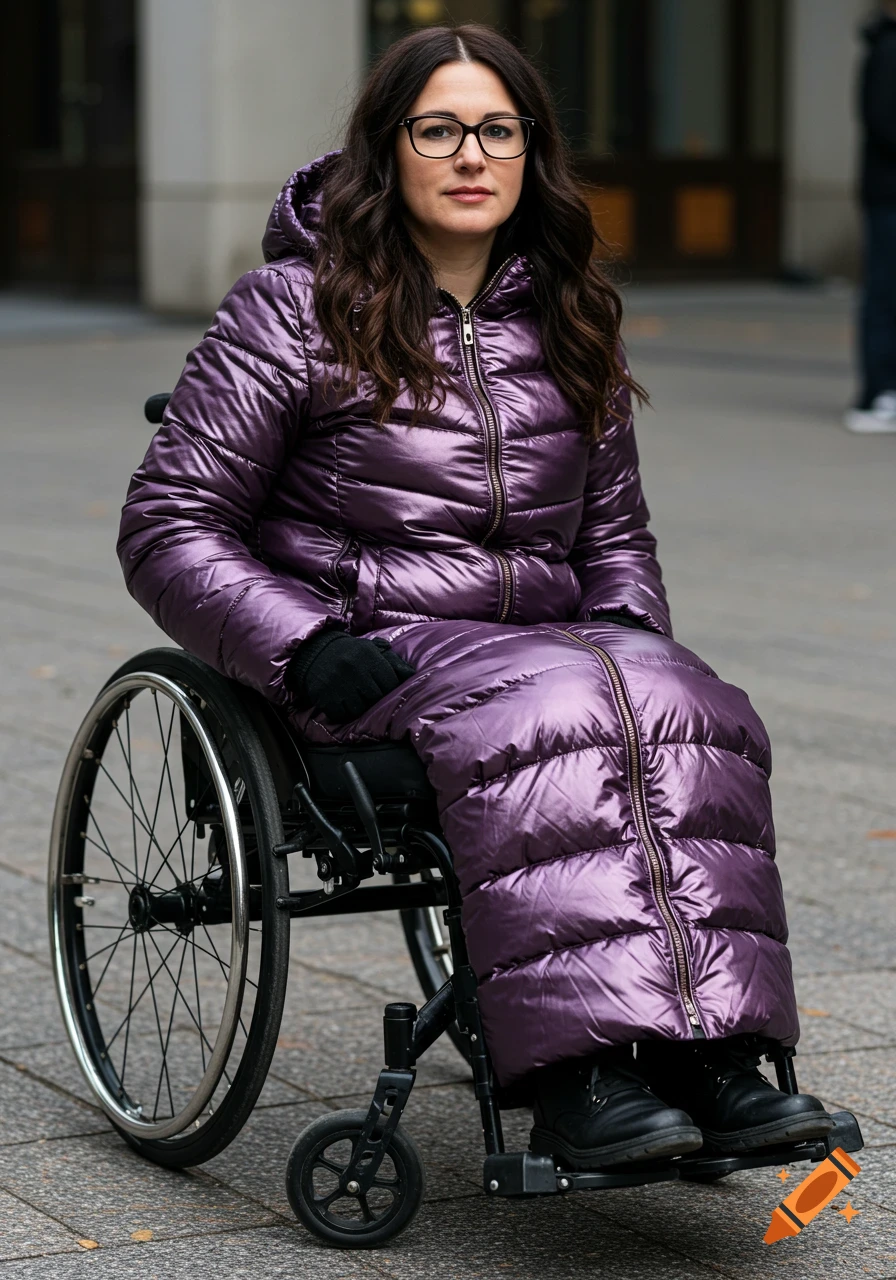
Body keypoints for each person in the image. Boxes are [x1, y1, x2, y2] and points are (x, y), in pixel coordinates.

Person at [118, 24, 832, 1171]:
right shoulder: (288, 308)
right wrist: (300, 643)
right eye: (438, 129)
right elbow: (168, 524)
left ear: (530, 153)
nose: (469, 154)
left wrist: (635, 639)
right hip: (370, 649)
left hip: (550, 644)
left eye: (497, 130)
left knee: (687, 699)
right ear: (385, 150)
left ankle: (713, 1052)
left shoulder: (565, 314)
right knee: (561, 701)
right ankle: (574, 1074)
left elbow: (614, 536)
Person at [845, 1, 896, 432]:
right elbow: (884, 123)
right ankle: (877, 393)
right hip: (888, 196)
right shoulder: (887, 49)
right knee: (884, 292)